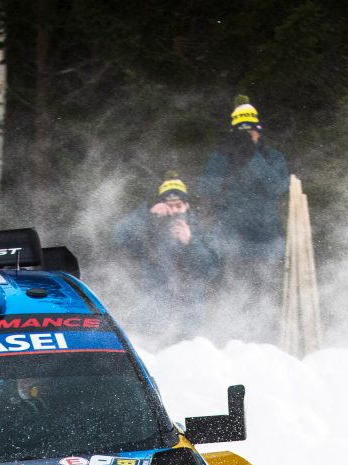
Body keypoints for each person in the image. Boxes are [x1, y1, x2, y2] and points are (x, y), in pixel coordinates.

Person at [112, 174, 221, 339]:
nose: (174, 211)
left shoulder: (200, 228)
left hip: (189, 319)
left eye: (179, 206)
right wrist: (147, 214)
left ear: (187, 205)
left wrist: (190, 242)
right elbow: (120, 236)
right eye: (169, 206)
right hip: (152, 315)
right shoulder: (149, 225)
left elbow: (210, 269)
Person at [199, 97, 290, 285]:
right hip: (232, 241)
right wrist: (223, 157)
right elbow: (207, 190)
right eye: (242, 134)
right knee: (234, 291)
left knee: (265, 290)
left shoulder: (272, 157)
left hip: (266, 239)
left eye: (251, 132)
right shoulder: (222, 157)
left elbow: (277, 187)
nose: (248, 137)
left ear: (258, 132)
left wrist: (253, 157)